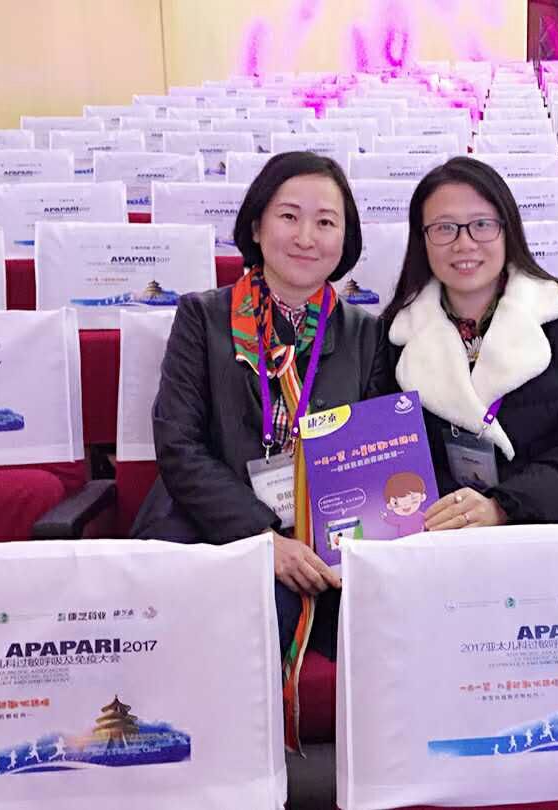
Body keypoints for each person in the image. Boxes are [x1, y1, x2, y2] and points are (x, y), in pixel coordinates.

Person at [131, 152, 379, 745]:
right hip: (211, 526)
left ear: (345, 239)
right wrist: (262, 540)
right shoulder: (203, 317)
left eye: (326, 222)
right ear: (257, 225)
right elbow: (179, 445)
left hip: (321, 541)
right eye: (289, 216)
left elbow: (370, 458)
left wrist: (321, 546)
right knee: (228, 612)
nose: (306, 236)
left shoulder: (368, 334)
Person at [370, 156, 558, 527]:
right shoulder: (395, 333)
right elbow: (390, 454)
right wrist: (460, 511)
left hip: (554, 520)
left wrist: (503, 507)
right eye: (444, 228)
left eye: (482, 225)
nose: (464, 243)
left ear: (507, 231)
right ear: (422, 240)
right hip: (444, 526)